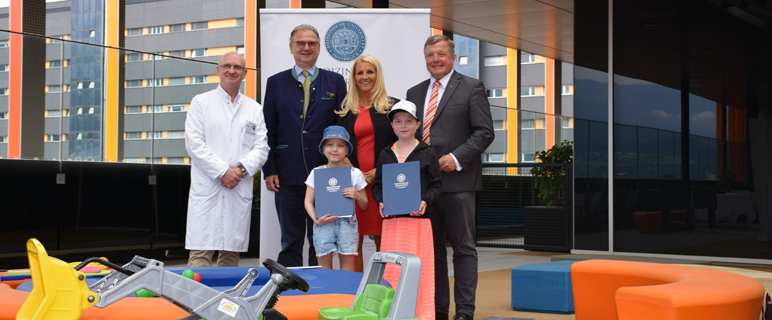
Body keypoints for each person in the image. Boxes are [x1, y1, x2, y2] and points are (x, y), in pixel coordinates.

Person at [405, 34, 494, 320]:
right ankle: (438, 311)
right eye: (430, 55)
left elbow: (484, 132)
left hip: (459, 184)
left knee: (463, 249)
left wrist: (455, 158)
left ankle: (464, 313)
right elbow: (408, 136)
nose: (436, 60)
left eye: (441, 54)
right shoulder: (414, 92)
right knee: (432, 254)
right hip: (424, 188)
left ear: (453, 57)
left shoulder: (471, 87)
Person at [263, 24, 348, 267]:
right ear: (291, 47)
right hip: (286, 172)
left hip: (325, 174)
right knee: (290, 240)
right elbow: (269, 129)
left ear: (319, 48)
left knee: (321, 238)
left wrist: (341, 169)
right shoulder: (275, 82)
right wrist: (270, 170)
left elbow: (342, 129)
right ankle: (287, 287)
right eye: (301, 43)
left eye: (312, 43)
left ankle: (317, 286)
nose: (306, 47)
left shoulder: (335, 81)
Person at [184, 52, 269, 267]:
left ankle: (228, 291)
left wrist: (239, 171)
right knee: (200, 254)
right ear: (218, 70)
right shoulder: (201, 102)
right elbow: (194, 144)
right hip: (208, 187)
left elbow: (261, 147)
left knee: (231, 255)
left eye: (237, 67)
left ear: (245, 73)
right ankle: (195, 291)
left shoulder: (254, 108)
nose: (232, 70)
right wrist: (223, 171)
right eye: (227, 66)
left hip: (237, 187)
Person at [371, 100, 442, 320]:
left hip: (418, 223)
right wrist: (381, 201)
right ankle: (392, 315)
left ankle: (421, 315)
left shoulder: (428, 152)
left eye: (408, 121)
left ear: (418, 124)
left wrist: (425, 201)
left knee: (419, 271)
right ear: (392, 125)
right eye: (398, 121)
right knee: (393, 270)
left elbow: (436, 185)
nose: (403, 126)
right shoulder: (385, 153)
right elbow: (377, 186)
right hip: (392, 224)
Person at [336, 54, 398, 271]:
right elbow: (338, 145)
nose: (365, 77)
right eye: (359, 72)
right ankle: (357, 287)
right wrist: (356, 174)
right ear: (353, 77)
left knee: (385, 239)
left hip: (383, 184)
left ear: (377, 75)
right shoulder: (345, 109)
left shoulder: (393, 107)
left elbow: (401, 144)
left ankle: (385, 286)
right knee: (353, 241)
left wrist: (378, 171)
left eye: (370, 72)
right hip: (353, 184)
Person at [304, 126, 369, 271]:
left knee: (348, 269)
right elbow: (307, 201)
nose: (334, 149)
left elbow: (365, 205)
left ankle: (346, 288)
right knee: (324, 269)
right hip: (323, 223)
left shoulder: (355, 173)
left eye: (340, 145)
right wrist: (316, 220)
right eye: (330, 145)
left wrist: (358, 196)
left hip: (348, 224)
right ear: (323, 149)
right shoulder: (316, 172)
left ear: (346, 150)